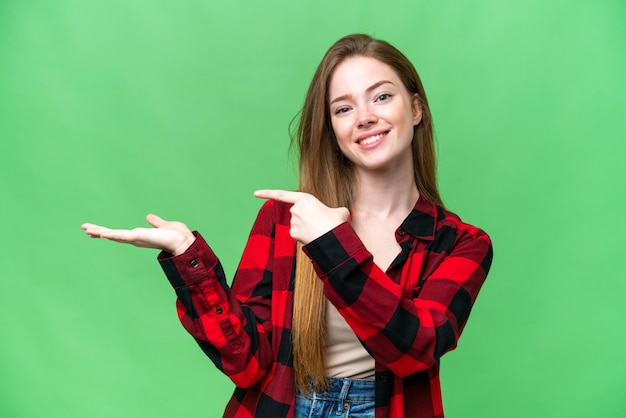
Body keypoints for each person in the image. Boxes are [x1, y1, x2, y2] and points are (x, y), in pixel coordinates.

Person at [82, 34, 493, 418]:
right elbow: (247, 362)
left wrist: (333, 245)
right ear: (332, 128)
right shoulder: (288, 219)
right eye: (344, 108)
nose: (365, 118)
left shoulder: (460, 243)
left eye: (382, 96)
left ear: (416, 108)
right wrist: (189, 258)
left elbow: (416, 347)